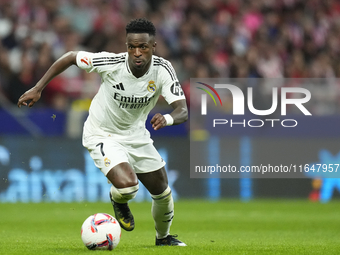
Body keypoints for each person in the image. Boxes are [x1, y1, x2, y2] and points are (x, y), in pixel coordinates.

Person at [17, 18, 188, 246]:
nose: (136, 52)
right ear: (126, 46)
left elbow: (182, 110)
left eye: (143, 47)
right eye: (131, 47)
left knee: (163, 193)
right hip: (102, 133)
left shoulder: (163, 69)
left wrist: (166, 118)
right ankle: (118, 200)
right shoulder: (111, 62)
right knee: (129, 186)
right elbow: (70, 57)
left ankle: (163, 238)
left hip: (136, 135)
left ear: (153, 47)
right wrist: (38, 88)